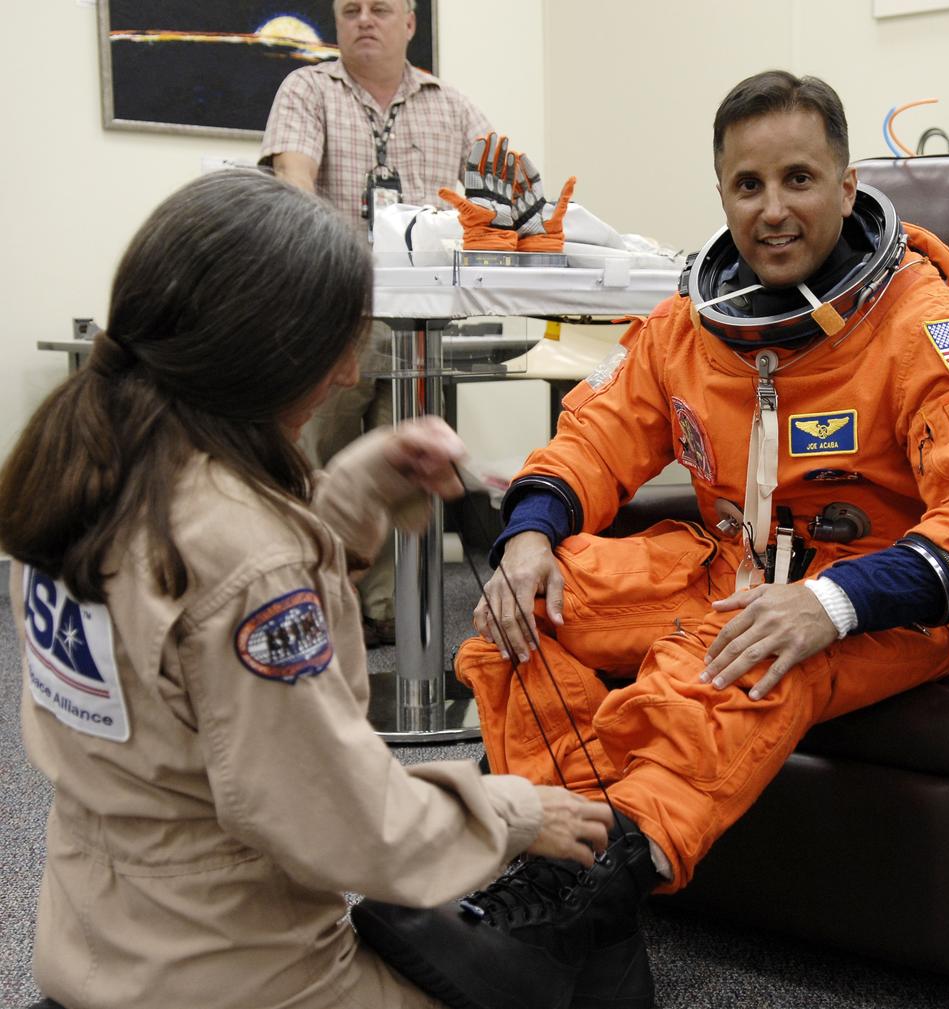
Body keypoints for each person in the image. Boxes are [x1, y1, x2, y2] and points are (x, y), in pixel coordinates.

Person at [352, 71, 949, 1009]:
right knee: (523, 612)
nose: (773, 210)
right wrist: (531, 536)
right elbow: (593, 437)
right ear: (723, 192)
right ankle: (577, 903)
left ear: (847, 185)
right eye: (748, 185)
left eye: (798, 179)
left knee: (732, 653)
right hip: (730, 563)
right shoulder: (691, 327)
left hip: (889, 597)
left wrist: (831, 601)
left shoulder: (928, 324)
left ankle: (558, 916)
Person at [0, 171, 613, 1009]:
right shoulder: (249, 559)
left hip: (101, 939)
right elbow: (344, 819)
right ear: (270, 354)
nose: (349, 370)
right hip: (241, 973)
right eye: (339, 342)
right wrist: (513, 814)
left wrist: (350, 496)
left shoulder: (80, 466)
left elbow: (189, 664)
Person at [259, 0, 492, 646]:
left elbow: (502, 190)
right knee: (322, 459)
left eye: (380, 9)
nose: (365, 20)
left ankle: (384, 612)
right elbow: (292, 183)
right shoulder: (308, 89)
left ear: (410, 24)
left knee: (403, 466)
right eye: (350, 9)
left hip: (420, 320)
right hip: (336, 312)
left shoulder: (453, 107)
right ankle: (313, 602)